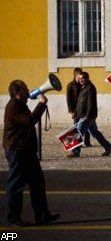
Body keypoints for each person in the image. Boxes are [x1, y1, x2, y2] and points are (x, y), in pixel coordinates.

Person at [3, 80, 60, 226]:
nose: (28, 91)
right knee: (16, 185)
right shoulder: (13, 106)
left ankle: (42, 215)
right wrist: (41, 104)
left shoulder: (20, 104)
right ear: (17, 92)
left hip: (26, 150)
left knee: (37, 183)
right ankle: (13, 218)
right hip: (17, 150)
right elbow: (29, 121)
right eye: (25, 89)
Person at [68, 72, 111, 158]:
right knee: (94, 133)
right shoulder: (83, 87)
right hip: (84, 115)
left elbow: (91, 103)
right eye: (80, 78)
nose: (81, 80)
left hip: (87, 116)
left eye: (83, 78)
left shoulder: (90, 88)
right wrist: (75, 112)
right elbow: (80, 103)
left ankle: (75, 152)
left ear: (87, 78)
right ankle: (108, 147)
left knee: (78, 132)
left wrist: (87, 116)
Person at [66, 67, 91, 146]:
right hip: (76, 110)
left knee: (87, 127)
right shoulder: (70, 85)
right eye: (79, 75)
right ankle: (78, 143)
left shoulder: (83, 84)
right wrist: (71, 110)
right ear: (76, 75)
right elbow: (68, 99)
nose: (81, 77)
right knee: (77, 127)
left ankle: (87, 142)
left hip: (84, 109)